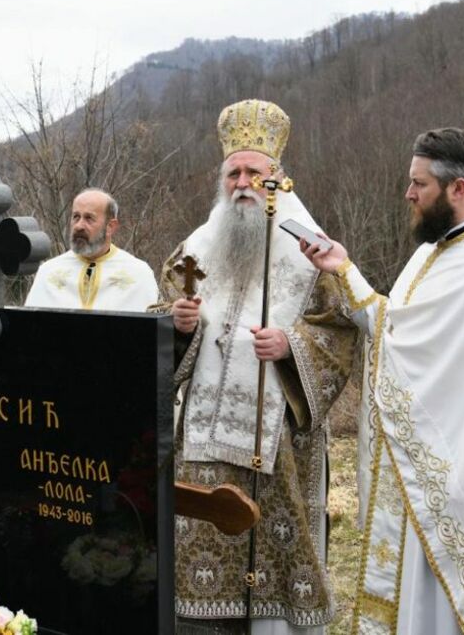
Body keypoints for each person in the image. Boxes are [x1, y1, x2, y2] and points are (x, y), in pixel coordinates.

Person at [301, 128, 464, 633]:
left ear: (457, 188)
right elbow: (397, 326)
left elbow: (460, 366)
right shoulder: (432, 250)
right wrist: (341, 267)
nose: (408, 194)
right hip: (428, 455)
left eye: (418, 184)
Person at [162, 99, 357, 634]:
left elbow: (341, 331)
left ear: (280, 180)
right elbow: (158, 319)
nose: (243, 182)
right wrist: (176, 327)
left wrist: (292, 345)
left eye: (255, 172)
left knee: (269, 574)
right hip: (197, 450)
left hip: (275, 454)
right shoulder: (193, 250)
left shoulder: (312, 251)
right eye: (234, 172)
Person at [24, 188, 158, 311]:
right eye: (76, 217)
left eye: (89, 218)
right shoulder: (48, 272)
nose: (79, 226)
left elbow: (153, 330)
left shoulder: (138, 273)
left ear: (110, 226)